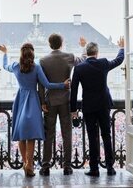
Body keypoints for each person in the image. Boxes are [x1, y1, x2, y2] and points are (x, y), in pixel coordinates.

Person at [0, 43, 70, 177]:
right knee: (30, 136)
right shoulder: (36, 68)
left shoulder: (15, 66)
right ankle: (30, 165)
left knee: (21, 135)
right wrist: (63, 85)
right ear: (32, 55)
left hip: (20, 100)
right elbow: (47, 85)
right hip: (33, 101)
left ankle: (25, 163)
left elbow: (4, 66)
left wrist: (5, 53)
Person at [70, 37, 124, 177]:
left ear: (87, 53)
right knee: (106, 135)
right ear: (97, 53)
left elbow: (74, 90)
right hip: (104, 104)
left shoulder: (79, 68)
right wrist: (122, 48)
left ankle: (94, 169)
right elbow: (118, 61)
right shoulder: (103, 63)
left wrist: (73, 110)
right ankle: (110, 168)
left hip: (88, 106)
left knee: (92, 137)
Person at [38, 33, 87, 176]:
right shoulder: (69, 56)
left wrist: (42, 101)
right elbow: (84, 59)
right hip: (66, 100)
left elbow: (41, 84)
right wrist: (84, 46)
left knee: (49, 134)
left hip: (50, 101)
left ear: (49, 44)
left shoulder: (43, 60)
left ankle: (45, 165)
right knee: (67, 134)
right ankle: (67, 166)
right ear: (62, 43)